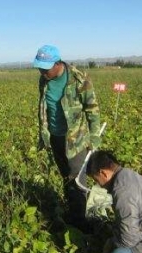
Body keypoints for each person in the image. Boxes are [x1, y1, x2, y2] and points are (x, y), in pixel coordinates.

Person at [33, 44, 102, 230]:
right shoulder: (44, 80)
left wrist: (95, 137)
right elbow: (44, 108)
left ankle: (82, 223)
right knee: (65, 175)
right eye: (39, 67)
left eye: (45, 68)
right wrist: (44, 133)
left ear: (57, 64)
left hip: (76, 139)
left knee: (77, 180)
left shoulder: (79, 79)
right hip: (54, 138)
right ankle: (73, 212)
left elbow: (92, 109)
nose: (41, 71)